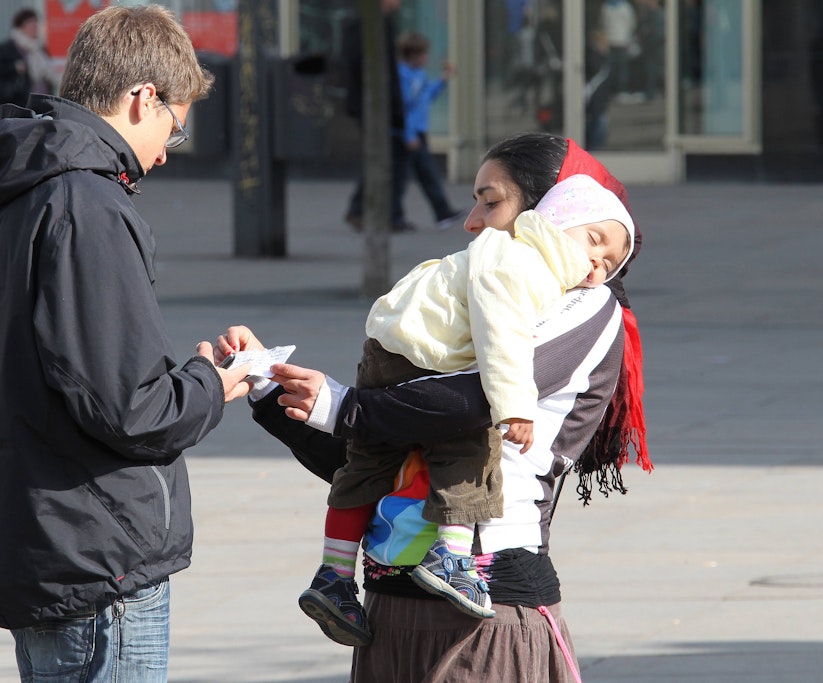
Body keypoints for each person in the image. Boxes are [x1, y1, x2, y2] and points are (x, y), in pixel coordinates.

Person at [224, 132, 650, 682]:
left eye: (490, 201)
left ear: (546, 215)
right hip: (387, 610)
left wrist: (346, 405)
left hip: (487, 614)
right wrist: (267, 386)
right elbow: (363, 459)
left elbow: (471, 405)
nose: (472, 221)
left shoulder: (587, 308)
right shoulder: (455, 317)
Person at [0, 6, 252, 682]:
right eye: (175, 123)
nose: (167, 150)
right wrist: (211, 382)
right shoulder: (87, 203)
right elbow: (129, 406)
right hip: (97, 559)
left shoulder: (0, 194)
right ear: (142, 97)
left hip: (40, 536)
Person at [297, 172, 635, 645]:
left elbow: (363, 430)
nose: (598, 264)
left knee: (366, 464)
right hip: (425, 363)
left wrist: (315, 406)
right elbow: (493, 359)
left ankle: (333, 576)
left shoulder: (576, 302)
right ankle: (451, 560)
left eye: (609, 262)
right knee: (472, 446)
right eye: (595, 242)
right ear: (554, 219)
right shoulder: (523, 265)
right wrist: (513, 406)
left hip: (390, 351)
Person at [341, 0, 415, 233]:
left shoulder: (375, 22)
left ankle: (378, 211)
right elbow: (369, 68)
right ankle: (369, 210)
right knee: (381, 157)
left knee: (384, 157)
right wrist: (392, 106)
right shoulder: (369, 23)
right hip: (374, 105)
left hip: (378, 104)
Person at [396, 31, 465, 231]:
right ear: (413, 55)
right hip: (411, 133)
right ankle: (439, 212)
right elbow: (404, 108)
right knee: (410, 175)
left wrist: (442, 81)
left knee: (423, 173)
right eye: (423, 54)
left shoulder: (419, 75)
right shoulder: (404, 76)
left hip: (419, 131)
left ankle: (441, 212)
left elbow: (425, 99)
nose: (426, 58)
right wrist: (408, 134)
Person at [0, 7, 58, 113]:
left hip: (40, 109)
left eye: (36, 23)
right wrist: (14, 68)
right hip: (15, 108)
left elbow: (49, 78)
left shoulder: (41, 50)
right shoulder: (6, 49)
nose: (34, 27)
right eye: (30, 23)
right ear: (21, 26)